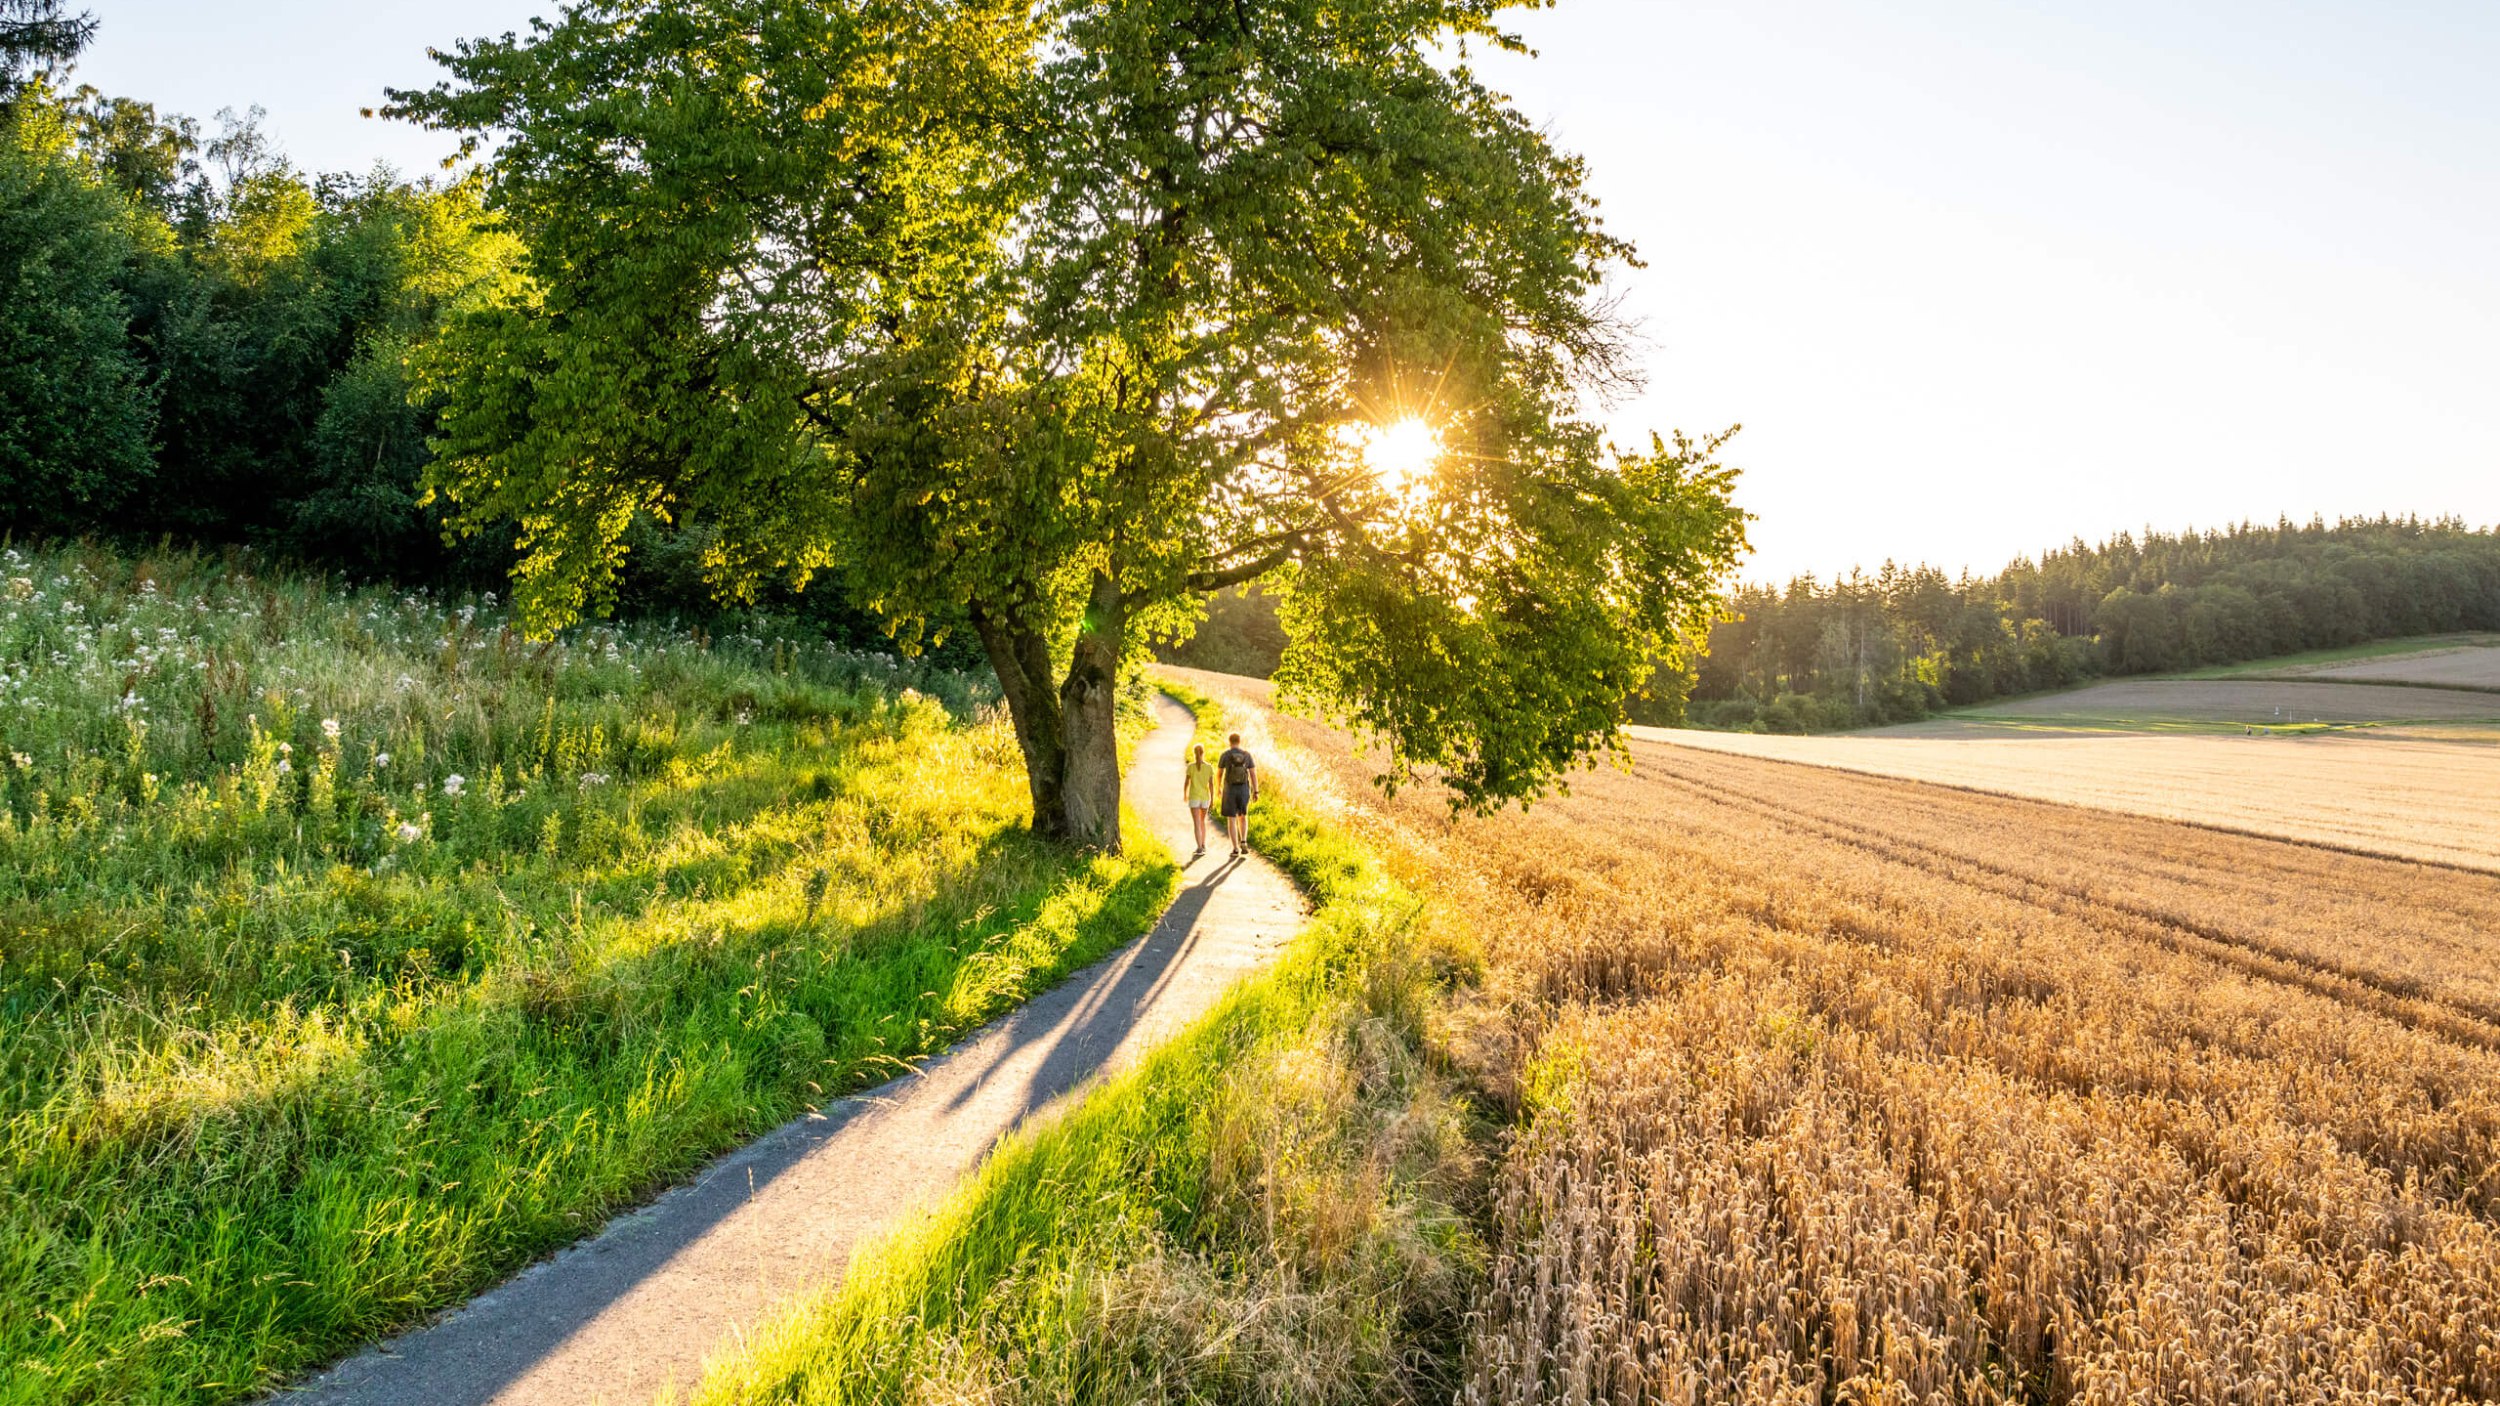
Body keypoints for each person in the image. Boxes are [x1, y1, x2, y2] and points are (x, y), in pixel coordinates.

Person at [1216, 732, 1258, 857]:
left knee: (1232, 819)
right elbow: (1253, 774)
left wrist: (1218, 788)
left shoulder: (1225, 755)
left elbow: (1219, 774)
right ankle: (1243, 840)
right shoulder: (1247, 755)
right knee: (1243, 816)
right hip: (1244, 789)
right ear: (1240, 741)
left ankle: (1235, 849)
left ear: (1230, 742)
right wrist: (1256, 791)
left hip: (1229, 790)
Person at [1182, 743, 1217, 858]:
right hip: (1205, 798)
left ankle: (1199, 848)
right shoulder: (1209, 767)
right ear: (1203, 753)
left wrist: (1185, 794)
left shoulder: (1191, 767)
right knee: (1202, 822)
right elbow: (1211, 785)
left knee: (1197, 823)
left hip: (1194, 797)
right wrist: (1212, 800)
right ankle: (1203, 844)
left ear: (1194, 753)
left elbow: (1187, 782)